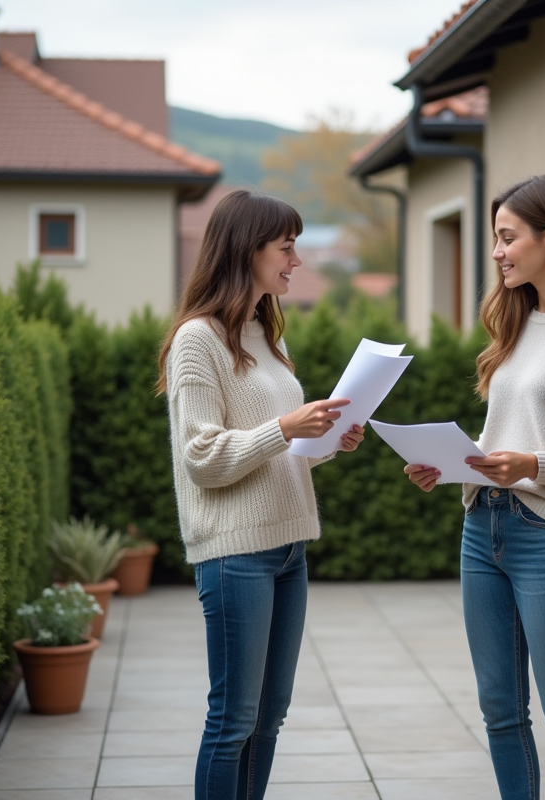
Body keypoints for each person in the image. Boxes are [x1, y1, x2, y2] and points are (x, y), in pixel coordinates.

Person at [404, 174, 545, 800]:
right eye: (497, 240)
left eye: (508, 238)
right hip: (484, 529)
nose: (498, 252)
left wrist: (533, 466)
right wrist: (452, 464)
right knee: (500, 713)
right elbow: (505, 434)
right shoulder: (519, 321)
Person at [156, 189, 363, 800]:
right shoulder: (199, 340)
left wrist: (326, 439)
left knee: (268, 719)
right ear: (247, 250)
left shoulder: (265, 335)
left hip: (288, 550)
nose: (296, 260)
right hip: (234, 555)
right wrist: (285, 427)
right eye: (286, 247)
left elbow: (284, 452)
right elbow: (201, 458)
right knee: (233, 721)